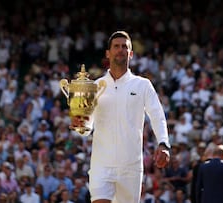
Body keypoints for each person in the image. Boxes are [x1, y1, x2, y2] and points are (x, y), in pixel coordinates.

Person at [71, 31, 171, 203]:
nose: (120, 50)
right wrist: (81, 124)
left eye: (125, 47)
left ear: (131, 53)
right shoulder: (95, 87)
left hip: (130, 167)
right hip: (101, 166)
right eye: (116, 46)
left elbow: (157, 116)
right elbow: (87, 128)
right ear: (108, 53)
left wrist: (163, 143)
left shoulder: (143, 85)